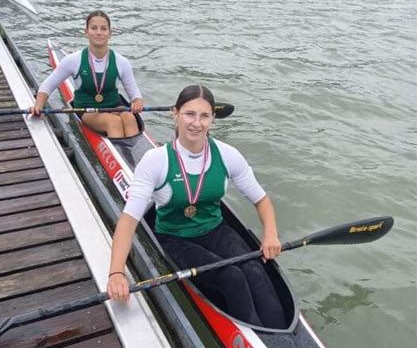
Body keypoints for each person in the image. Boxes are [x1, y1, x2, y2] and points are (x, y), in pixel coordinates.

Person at [107, 84, 287, 329]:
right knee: (232, 278)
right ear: (175, 113)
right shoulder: (155, 161)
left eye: (204, 116)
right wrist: (117, 272)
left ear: (213, 118)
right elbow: (128, 222)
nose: (197, 123)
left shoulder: (227, 155)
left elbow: (261, 200)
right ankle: (254, 337)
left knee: (255, 271)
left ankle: (280, 333)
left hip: (215, 230)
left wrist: (270, 234)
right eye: (189, 114)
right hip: (174, 237)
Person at [31, 10, 143, 138]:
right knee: (113, 122)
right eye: (94, 28)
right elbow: (47, 86)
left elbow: (135, 95)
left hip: (114, 106)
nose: (99, 32)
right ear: (86, 32)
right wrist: (38, 106)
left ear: (110, 33)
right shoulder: (73, 60)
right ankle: (119, 152)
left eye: (103, 29)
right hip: (87, 109)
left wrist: (137, 102)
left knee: (130, 118)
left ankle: (132, 151)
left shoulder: (122, 62)